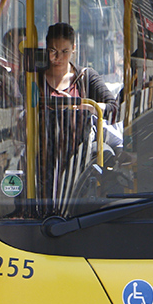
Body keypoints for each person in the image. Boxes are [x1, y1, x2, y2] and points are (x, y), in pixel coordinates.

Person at [36, 23, 120, 205]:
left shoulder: (86, 77)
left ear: (74, 49)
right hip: (41, 161)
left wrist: (90, 107)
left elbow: (114, 110)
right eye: (52, 51)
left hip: (77, 161)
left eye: (64, 51)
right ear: (45, 46)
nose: (57, 58)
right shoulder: (33, 78)